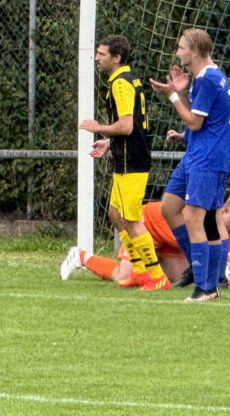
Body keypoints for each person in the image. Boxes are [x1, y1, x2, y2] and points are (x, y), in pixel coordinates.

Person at [149, 28, 230, 302]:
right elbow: (203, 120)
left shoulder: (208, 79)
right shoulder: (206, 77)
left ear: (195, 51)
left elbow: (196, 122)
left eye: (181, 47)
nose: (177, 52)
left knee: (198, 219)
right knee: (170, 207)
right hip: (197, 155)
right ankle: (202, 274)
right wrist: (182, 93)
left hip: (207, 159)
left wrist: (173, 96)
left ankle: (207, 286)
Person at [78, 35, 170, 291]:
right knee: (115, 214)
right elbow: (134, 124)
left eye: (102, 54)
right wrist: (109, 142)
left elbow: (127, 126)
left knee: (131, 219)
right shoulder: (125, 80)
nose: (97, 58)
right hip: (125, 156)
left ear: (116, 58)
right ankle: (139, 272)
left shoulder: (121, 83)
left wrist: (99, 127)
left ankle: (157, 277)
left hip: (133, 160)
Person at [60, 197, 230, 286]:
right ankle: (81, 256)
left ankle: (154, 267)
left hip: (171, 243)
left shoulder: (228, 232)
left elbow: (229, 263)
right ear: (222, 210)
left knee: (179, 279)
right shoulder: (198, 219)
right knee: (122, 276)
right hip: (145, 227)